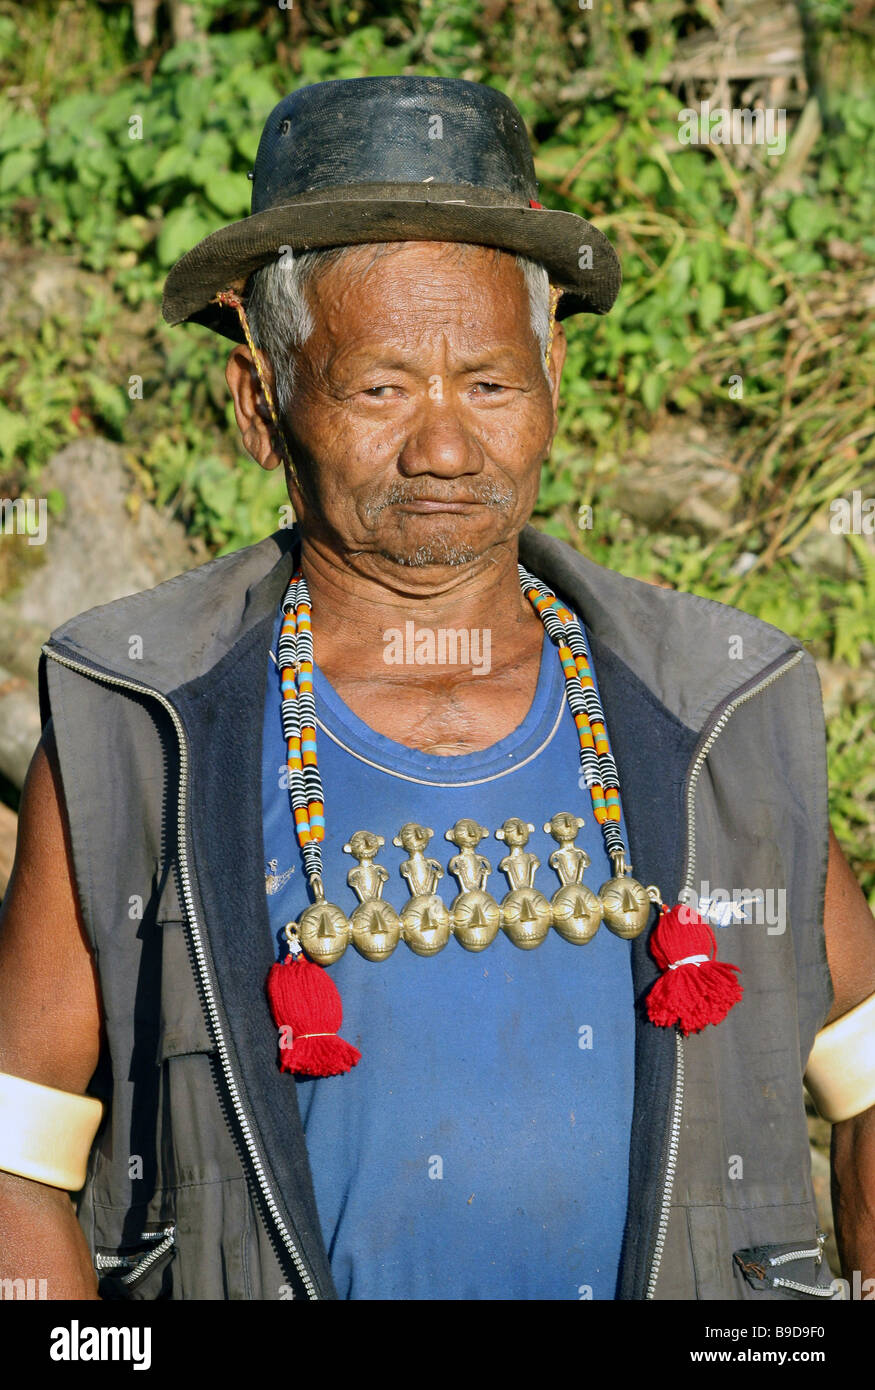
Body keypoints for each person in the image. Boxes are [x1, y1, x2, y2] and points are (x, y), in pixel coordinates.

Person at [1, 75, 873, 1302]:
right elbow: (13, 1159)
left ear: (553, 377)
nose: (446, 445)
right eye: (380, 387)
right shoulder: (138, 727)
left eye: (490, 382)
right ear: (260, 403)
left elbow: (868, 1068)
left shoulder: (708, 707)